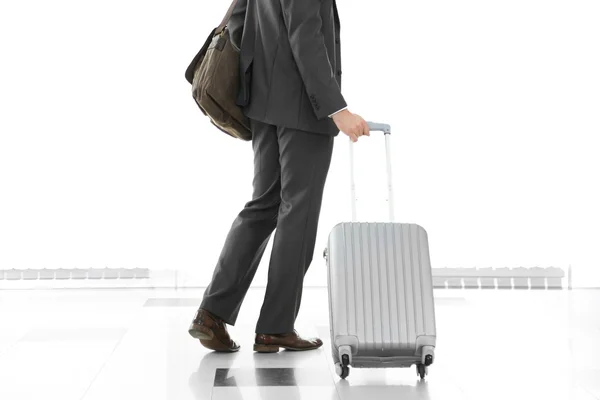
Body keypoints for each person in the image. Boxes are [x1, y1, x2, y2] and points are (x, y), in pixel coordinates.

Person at [188, 0, 370, 352]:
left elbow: (243, 19)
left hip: (264, 101)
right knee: (297, 212)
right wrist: (337, 109)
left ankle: (211, 314)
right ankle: (276, 326)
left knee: (263, 206)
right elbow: (306, 35)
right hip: (303, 107)